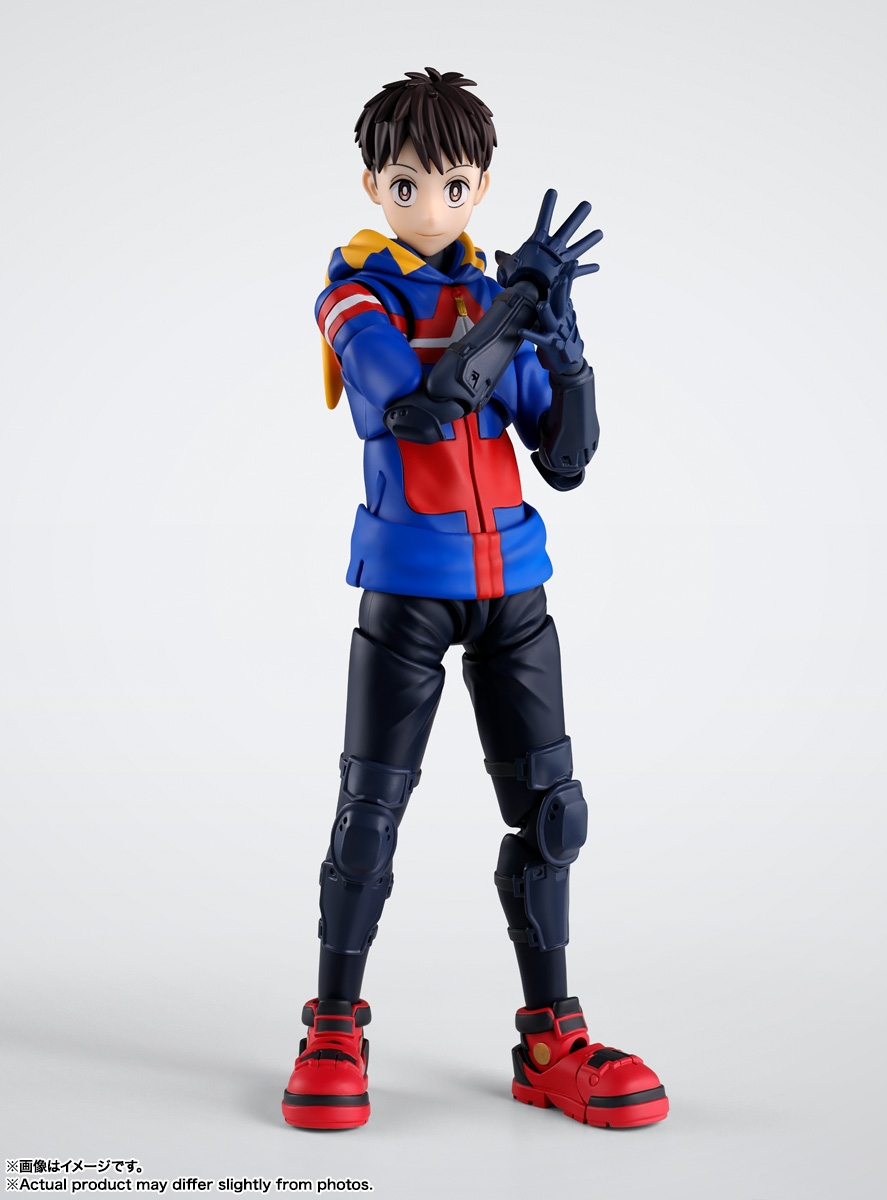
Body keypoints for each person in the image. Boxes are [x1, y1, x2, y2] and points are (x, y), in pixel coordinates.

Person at [282, 67, 668, 1131]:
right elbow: (412, 404)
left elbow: (566, 462)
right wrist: (512, 310)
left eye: (454, 185)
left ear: (482, 186)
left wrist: (568, 356)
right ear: (374, 183)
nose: (432, 204)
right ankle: (333, 1026)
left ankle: (553, 1040)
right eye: (409, 183)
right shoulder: (354, 293)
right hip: (408, 587)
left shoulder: (496, 292)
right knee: (370, 818)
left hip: (516, 590)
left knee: (553, 813)